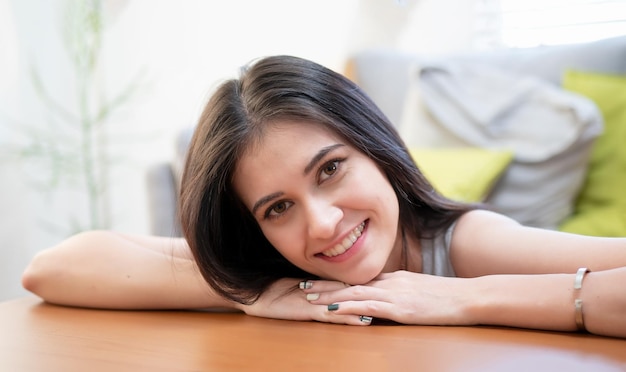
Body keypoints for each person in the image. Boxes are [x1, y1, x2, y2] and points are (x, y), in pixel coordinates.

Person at [22, 55, 626, 338]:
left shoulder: (462, 244)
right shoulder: (282, 269)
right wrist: (254, 288)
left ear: (377, 148)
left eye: (331, 169)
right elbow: (51, 269)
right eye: (276, 208)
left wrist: (461, 299)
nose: (322, 224)